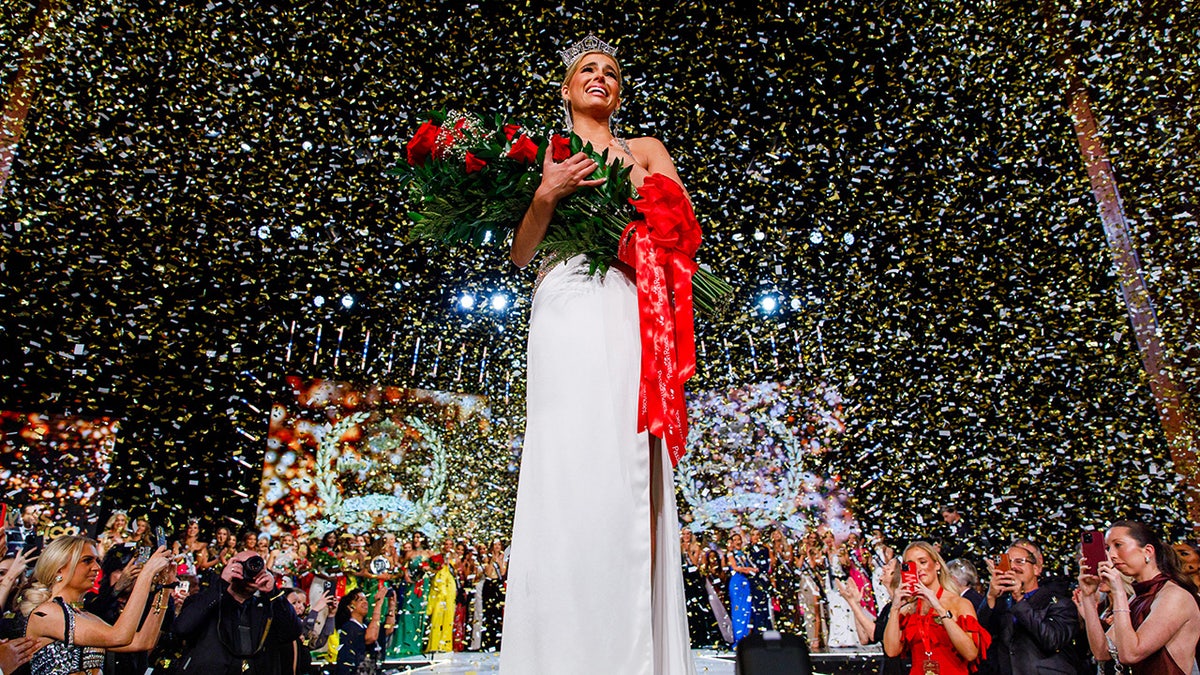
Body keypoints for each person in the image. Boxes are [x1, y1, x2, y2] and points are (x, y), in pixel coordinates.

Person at [501, 33, 698, 675]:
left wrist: (639, 233)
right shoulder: (540, 154)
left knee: (628, 458)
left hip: (628, 302)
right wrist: (544, 195)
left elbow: (682, 234)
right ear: (565, 87)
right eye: (588, 69)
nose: (601, 77)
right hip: (564, 307)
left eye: (612, 72)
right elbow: (521, 255)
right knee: (569, 461)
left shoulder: (645, 150)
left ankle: (634, 647)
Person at [24, 535, 174, 675]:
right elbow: (119, 636)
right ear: (59, 568)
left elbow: (143, 641)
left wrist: (166, 587)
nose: (96, 567)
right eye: (87, 560)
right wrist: (146, 575)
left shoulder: (85, 616)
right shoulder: (47, 613)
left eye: (96, 561)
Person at [1074, 521, 1200, 675]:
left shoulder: (1174, 596)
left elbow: (1131, 654)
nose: (1111, 555)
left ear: (1147, 551)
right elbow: (1102, 653)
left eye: (1118, 545)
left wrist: (1118, 592)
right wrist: (1087, 596)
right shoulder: (1138, 596)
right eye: (1107, 548)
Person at [172, 550, 301, 674]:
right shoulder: (205, 600)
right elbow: (182, 628)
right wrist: (221, 584)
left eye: (257, 565)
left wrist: (274, 593)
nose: (251, 571)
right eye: (244, 565)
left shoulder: (269, 607)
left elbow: (292, 632)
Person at [883, 541, 991, 675]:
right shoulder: (907, 610)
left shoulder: (959, 603)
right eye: (911, 565)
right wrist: (895, 608)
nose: (918, 569)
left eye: (922, 562)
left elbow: (970, 653)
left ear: (937, 565)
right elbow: (891, 651)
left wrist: (939, 608)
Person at [981, 540, 1080, 675]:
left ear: (1036, 569)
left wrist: (1020, 598)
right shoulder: (1000, 603)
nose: (1013, 567)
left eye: (1020, 561)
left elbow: (1052, 640)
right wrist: (990, 597)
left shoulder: (1060, 603)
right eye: (1008, 562)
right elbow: (979, 638)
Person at [333, 587, 384, 675]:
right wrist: (378, 604)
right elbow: (371, 637)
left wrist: (392, 605)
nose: (365, 602)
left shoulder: (366, 625)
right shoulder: (348, 626)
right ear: (350, 607)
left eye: (366, 599)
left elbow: (388, 630)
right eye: (360, 600)